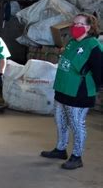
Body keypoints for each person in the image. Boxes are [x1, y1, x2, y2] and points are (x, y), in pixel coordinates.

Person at [41, 13, 102, 170]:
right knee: (60, 121)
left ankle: (77, 156)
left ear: (88, 27)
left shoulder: (93, 46)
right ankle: (61, 149)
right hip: (63, 89)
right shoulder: (72, 42)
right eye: (74, 23)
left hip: (79, 93)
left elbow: (100, 72)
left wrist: (94, 89)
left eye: (79, 24)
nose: (74, 26)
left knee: (77, 124)